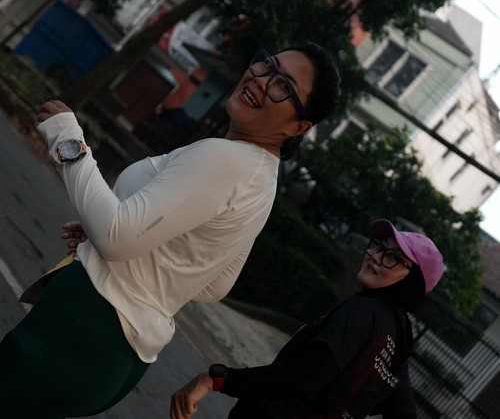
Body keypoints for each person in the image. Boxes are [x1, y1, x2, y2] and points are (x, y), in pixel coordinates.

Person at [0, 42, 341, 418]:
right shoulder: (262, 180)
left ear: (298, 126)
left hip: (85, 324)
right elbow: (214, 284)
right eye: (267, 65)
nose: (262, 80)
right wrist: (126, 234)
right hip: (116, 354)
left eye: (283, 86)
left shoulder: (225, 160)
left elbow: (116, 237)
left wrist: (66, 140)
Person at [170, 218, 445, 419]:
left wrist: (217, 379)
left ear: (412, 282)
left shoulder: (363, 312)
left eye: (392, 257)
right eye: (378, 246)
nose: (374, 256)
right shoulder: (399, 340)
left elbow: (305, 375)